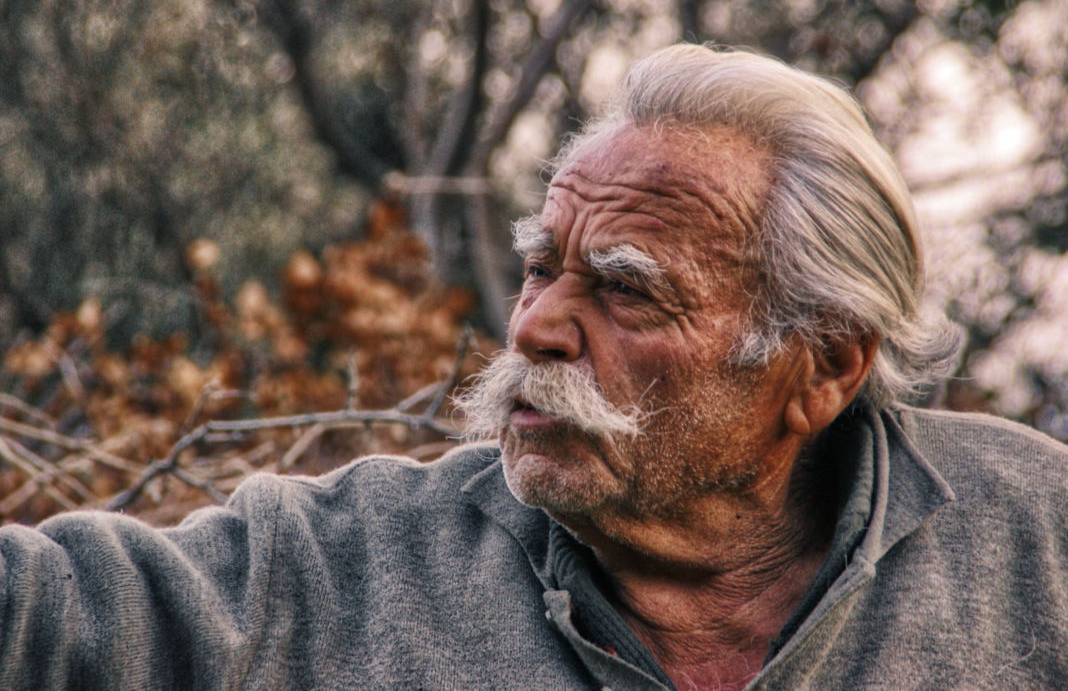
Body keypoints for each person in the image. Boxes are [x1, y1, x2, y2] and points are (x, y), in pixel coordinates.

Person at [2, 44, 1067, 691]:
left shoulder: (1035, 542)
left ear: (823, 365)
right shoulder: (351, 566)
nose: (536, 328)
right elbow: (56, 612)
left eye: (626, 290)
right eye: (540, 267)